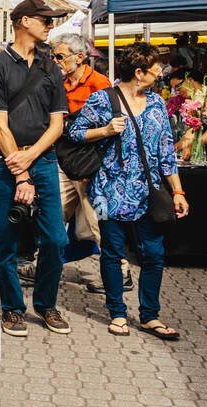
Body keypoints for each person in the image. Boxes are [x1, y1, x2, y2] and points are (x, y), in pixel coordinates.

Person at [68, 42, 188, 339]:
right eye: (155, 67)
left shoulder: (158, 104)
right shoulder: (103, 100)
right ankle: (118, 313)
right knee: (112, 253)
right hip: (110, 190)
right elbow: (75, 133)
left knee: (154, 253)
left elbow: (165, 154)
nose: (160, 71)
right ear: (138, 72)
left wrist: (178, 192)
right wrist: (106, 130)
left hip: (149, 191)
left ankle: (149, 315)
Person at [0, 0, 71, 338]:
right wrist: (20, 173)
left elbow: (57, 124)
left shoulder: (51, 67)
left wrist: (30, 157)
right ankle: (12, 309)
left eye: (52, 20)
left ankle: (45, 304)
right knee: (6, 241)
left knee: (56, 240)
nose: (50, 25)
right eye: (44, 19)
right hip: (4, 163)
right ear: (22, 22)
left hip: (42, 159)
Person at [51, 34, 123, 293]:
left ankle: (120, 272)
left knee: (97, 219)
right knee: (53, 212)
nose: (55, 61)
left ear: (79, 57)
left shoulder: (99, 83)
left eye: (60, 56)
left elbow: (112, 124)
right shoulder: (59, 82)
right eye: (54, 56)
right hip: (64, 158)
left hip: (90, 162)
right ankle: (46, 265)